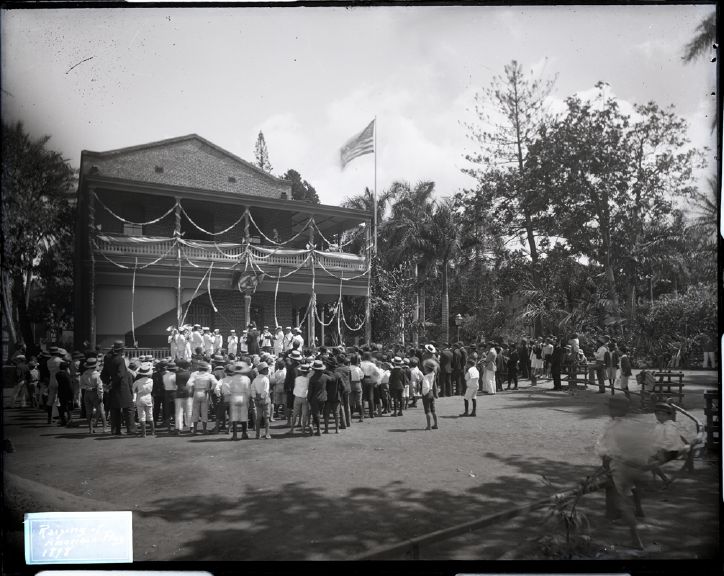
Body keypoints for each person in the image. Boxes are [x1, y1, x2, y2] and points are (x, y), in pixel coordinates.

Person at [595, 396, 649, 550]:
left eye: (611, 407)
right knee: (631, 489)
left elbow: (607, 449)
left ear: (614, 410)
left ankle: (636, 539)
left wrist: (605, 458)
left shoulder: (612, 427)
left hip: (620, 467)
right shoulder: (630, 425)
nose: (609, 410)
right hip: (635, 466)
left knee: (621, 501)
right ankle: (638, 510)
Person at [101, 341, 136, 436]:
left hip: (112, 386)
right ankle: (131, 430)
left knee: (114, 409)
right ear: (122, 349)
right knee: (129, 408)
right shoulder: (120, 359)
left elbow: (104, 373)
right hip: (122, 386)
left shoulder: (107, 357)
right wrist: (112, 383)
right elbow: (120, 375)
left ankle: (115, 430)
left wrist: (107, 383)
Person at [188, 361, 218, 435]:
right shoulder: (209, 375)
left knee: (195, 412)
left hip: (196, 392)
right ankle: (204, 430)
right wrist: (211, 389)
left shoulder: (194, 374)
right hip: (205, 393)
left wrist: (191, 390)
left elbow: (188, 383)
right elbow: (215, 383)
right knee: (204, 412)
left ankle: (194, 430)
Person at [80, 357, 107, 433]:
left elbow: (81, 385)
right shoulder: (97, 375)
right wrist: (101, 396)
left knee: (89, 412)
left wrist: (88, 388)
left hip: (87, 394)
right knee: (101, 410)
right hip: (95, 393)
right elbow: (100, 387)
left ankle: (90, 429)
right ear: (95, 366)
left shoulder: (84, 374)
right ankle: (104, 428)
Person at [228, 362, 252, 441]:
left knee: (234, 417)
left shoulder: (232, 378)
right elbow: (248, 391)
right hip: (243, 397)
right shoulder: (246, 379)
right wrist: (248, 399)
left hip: (234, 396)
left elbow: (229, 389)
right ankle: (244, 433)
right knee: (244, 417)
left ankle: (235, 435)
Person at [132, 362, 156, 437]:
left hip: (140, 397)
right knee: (150, 415)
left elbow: (133, 390)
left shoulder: (137, 382)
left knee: (141, 416)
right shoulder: (151, 381)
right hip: (148, 397)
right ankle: (152, 432)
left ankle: (144, 433)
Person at [251, 361, 272, 439]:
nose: (267, 370)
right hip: (265, 399)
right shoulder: (265, 379)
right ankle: (267, 434)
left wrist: (255, 397)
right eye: (266, 369)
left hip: (257, 399)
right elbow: (266, 390)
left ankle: (257, 434)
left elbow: (252, 389)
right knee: (266, 417)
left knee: (258, 417)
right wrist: (262, 397)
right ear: (262, 370)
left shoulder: (255, 380)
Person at [290, 361, 311, 434]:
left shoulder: (297, 379)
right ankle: (303, 430)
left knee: (295, 414)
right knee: (304, 414)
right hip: (305, 398)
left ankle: (292, 429)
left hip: (297, 397)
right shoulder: (308, 380)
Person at [360, 351, 381, 419]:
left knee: (363, 397)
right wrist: (374, 376)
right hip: (370, 379)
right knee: (371, 397)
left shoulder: (361, 364)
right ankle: (371, 413)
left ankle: (362, 414)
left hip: (363, 379)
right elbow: (378, 373)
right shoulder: (372, 364)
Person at [421, 360, 439, 431]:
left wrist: (424, 393)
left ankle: (428, 426)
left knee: (427, 411)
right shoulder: (433, 374)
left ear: (427, 369)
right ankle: (436, 424)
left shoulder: (426, 377)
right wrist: (436, 393)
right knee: (433, 410)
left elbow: (426, 387)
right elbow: (434, 385)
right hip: (431, 393)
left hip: (427, 394)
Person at [56, 360, 74, 427]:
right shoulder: (66, 375)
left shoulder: (57, 374)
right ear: (66, 368)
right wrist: (72, 394)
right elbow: (70, 385)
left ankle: (63, 420)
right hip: (68, 392)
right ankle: (69, 421)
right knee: (69, 407)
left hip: (61, 391)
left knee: (62, 406)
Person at [161, 361, 177, 430]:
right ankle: (176, 427)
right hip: (174, 393)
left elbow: (164, 385)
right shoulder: (175, 376)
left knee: (168, 411)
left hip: (167, 393)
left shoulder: (164, 376)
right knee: (175, 410)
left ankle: (169, 428)